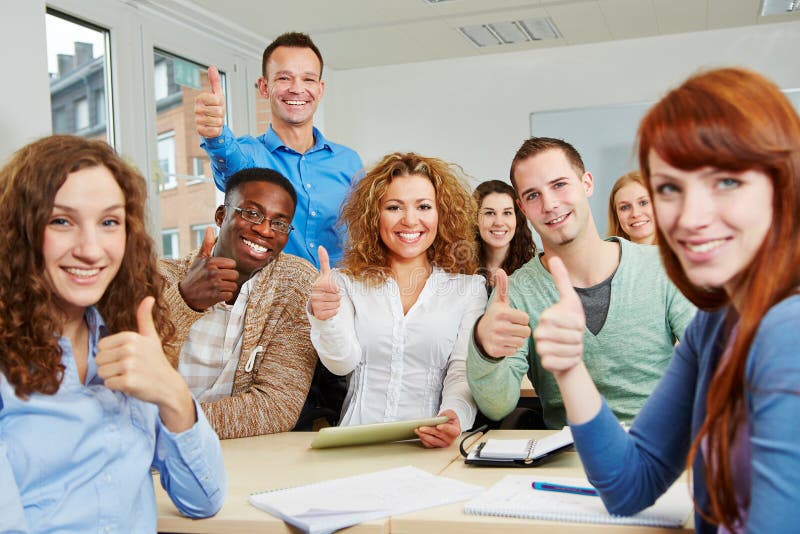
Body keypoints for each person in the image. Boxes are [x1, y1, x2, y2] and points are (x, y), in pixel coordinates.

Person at [534, 67, 800, 533]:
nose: (691, 217)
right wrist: (569, 367)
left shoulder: (787, 328)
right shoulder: (717, 324)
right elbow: (628, 484)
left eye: (727, 182)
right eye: (670, 189)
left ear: (783, 185)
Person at [0, 136, 225, 531]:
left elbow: (203, 500)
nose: (91, 249)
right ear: (19, 232)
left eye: (109, 222)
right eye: (61, 221)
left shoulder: (127, 332)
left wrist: (172, 393)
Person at [467, 137, 696, 429]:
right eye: (533, 195)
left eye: (559, 185)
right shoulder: (515, 292)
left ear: (586, 183)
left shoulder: (662, 267)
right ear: (522, 208)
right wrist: (485, 348)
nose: (550, 204)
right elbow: (497, 407)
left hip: (663, 451)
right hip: (571, 457)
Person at [308, 153, 486, 448]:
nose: (410, 220)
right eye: (394, 207)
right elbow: (341, 364)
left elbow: (462, 371)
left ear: (441, 214)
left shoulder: (468, 290)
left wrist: (454, 416)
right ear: (373, 215)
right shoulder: (345, 283)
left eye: (424, 207)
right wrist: (324, 319)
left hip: (429, 447)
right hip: (355, 447)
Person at [159, 167, 318, 439]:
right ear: (221, 216)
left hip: (245, 450)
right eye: (252, 213)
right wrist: (184, 299)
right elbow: (123, 370)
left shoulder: (296, 283)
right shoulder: (158, 277)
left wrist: (168, 425)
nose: (265, 229)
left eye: (279, 223)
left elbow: (277, 406)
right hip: (150, 453)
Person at [194, 31, 362, 269]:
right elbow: (228, 158)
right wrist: (215, 135)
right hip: (272, 300)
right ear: (264, 87)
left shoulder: (349, 161)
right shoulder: (250, 155)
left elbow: (371, 230)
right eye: (284, 78)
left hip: (340, 298)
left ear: (320, 89)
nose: (296, 89)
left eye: (308, 79)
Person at [473, 179, 537, 289]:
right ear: (475, 218)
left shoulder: (535, 269)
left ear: (517, 219)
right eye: (489, 213)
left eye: (507, 213)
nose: (499, 223)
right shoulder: (457, 269)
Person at [607, 170, 657, 244]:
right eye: (625, 207)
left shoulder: (678, 254)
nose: (635, 214)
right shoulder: (606, 254)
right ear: (616, 215)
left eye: (643, 203)